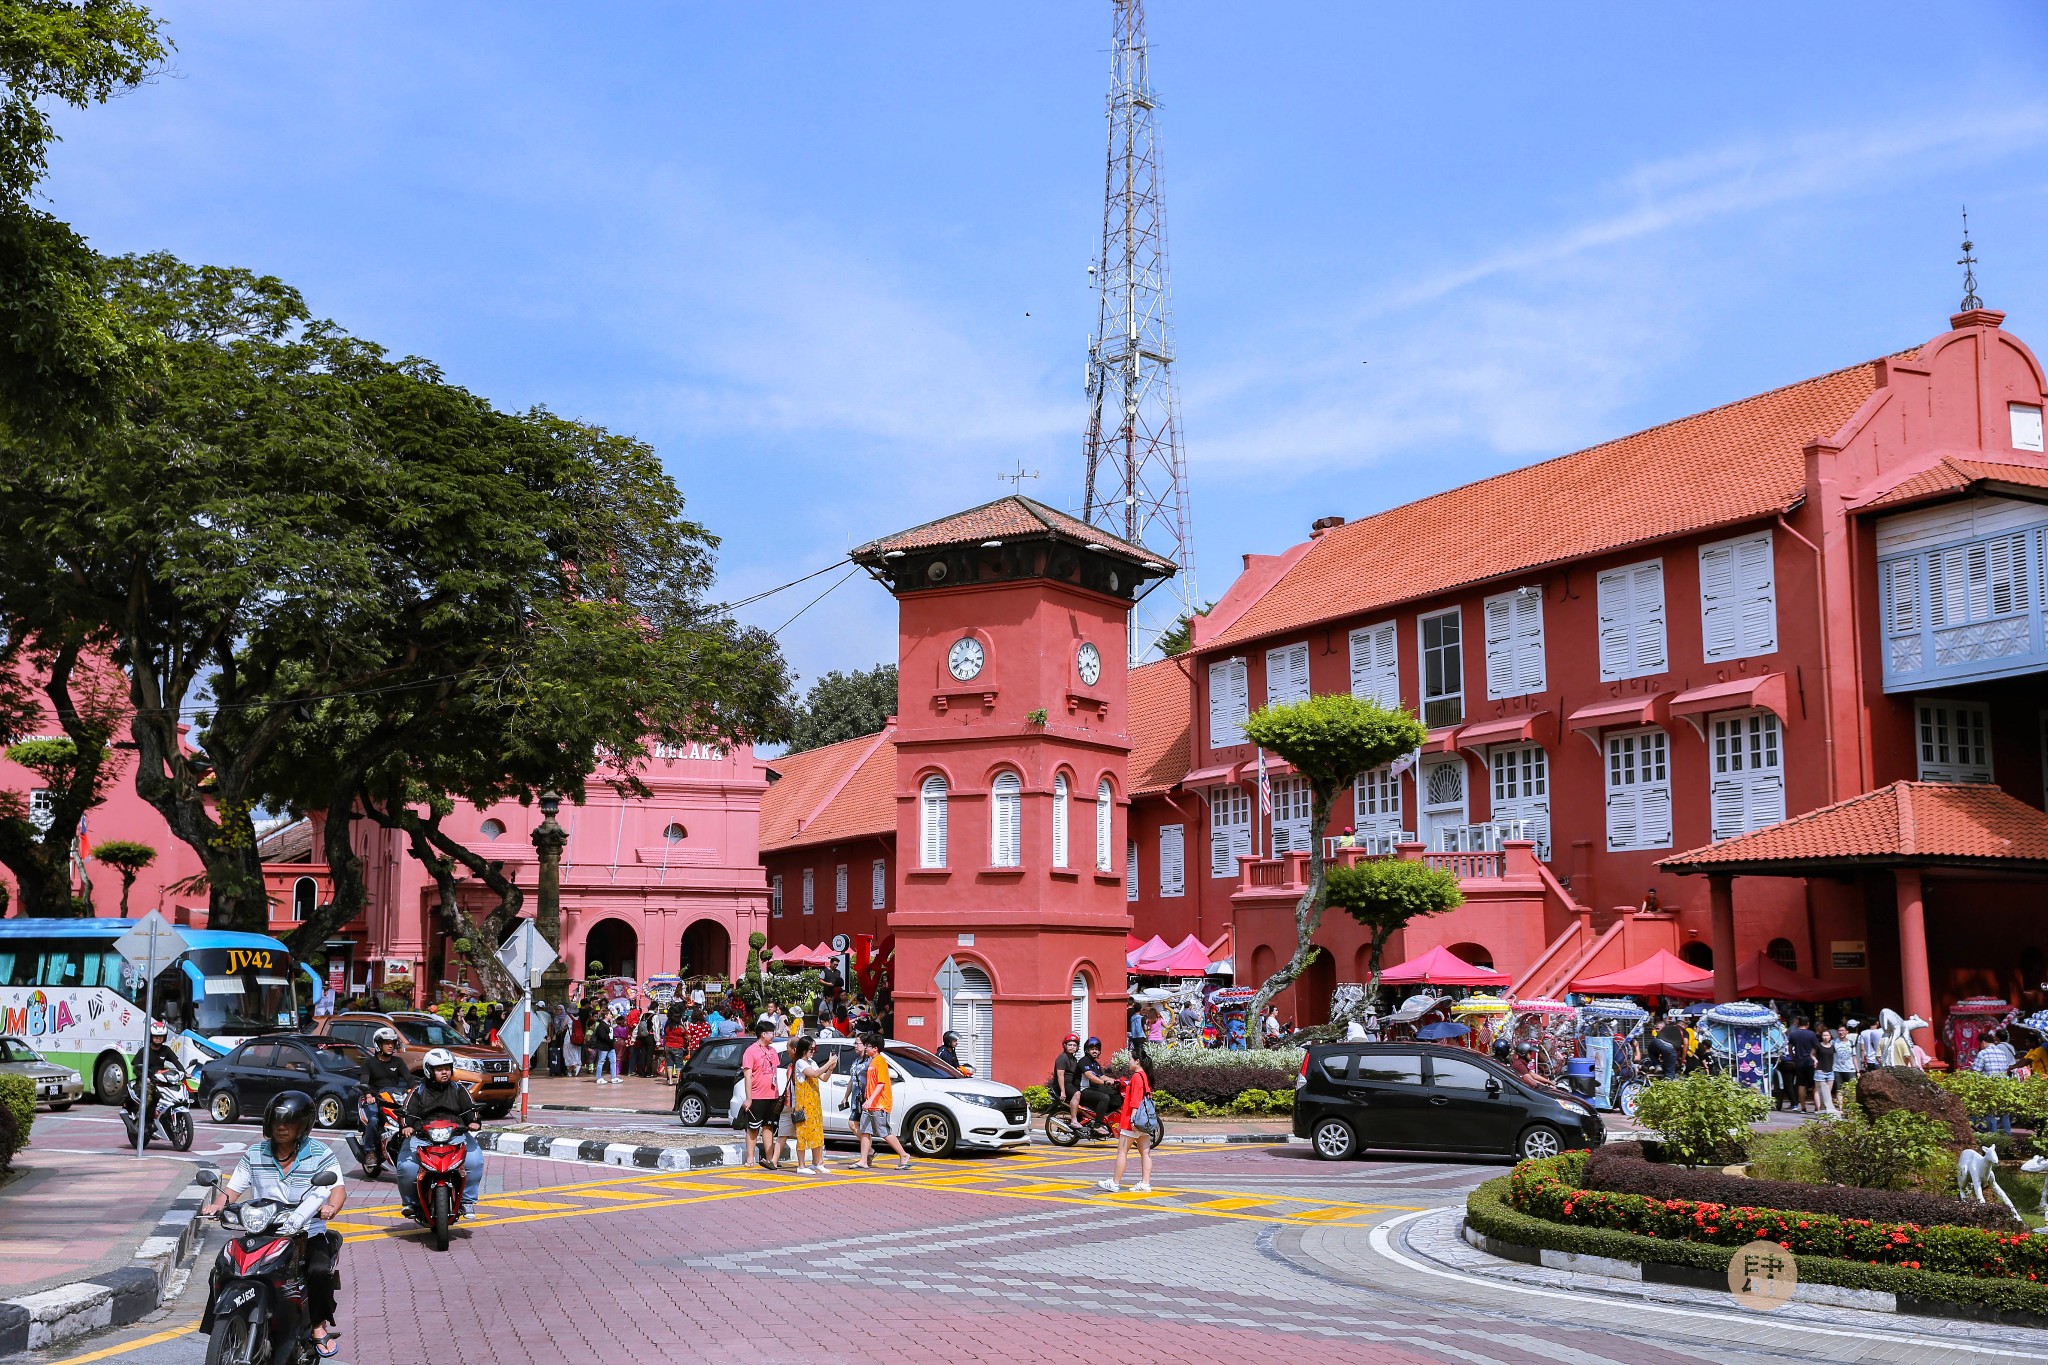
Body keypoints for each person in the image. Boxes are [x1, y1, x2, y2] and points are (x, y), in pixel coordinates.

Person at [203, 1092, 348, 1357]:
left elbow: (337, 1189)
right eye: (276, 1122)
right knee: (224, 1264)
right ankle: (220, 1323)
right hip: (262, 1232)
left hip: (306, 1232)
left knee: (318, 1270)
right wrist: (218, 1204)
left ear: (303, 1125)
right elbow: (232, 1189)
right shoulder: (255, 1153)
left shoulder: (320, 1153)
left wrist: (330, 1208)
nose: (281, 1127)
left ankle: (318, 1325)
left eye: (289, 1122)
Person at [396, 1048, 485, 1217]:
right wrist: (407, 1126)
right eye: (439, 1069)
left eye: (447, 1068)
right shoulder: (418, 1091)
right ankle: (411, 1203)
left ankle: (467, 1201)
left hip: (455, 1135)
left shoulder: (459, 1089)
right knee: (406, 1167)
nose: (445, 1072)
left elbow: (470, 1109)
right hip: (422, 1136)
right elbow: (408, 1112)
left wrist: (474, 1121)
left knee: (474, 1161)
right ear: (428, 1071)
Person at [1097, 1055, 1158, 1194]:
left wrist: (1133, 1117)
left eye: (1131, 1059)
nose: (1129, 1061)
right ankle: (1145, 1183)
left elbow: (1135, 1099)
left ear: (1137, 1061)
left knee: (1122, 1152)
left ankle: (1115, 1182)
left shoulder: (1137, 1076)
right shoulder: (1145, 1076)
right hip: (1144, 1120)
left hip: (1133, 1120)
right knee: (1145, 1152)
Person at [851, 1034, 910, 1171]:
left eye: (868, 1046)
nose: (866, 1048)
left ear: (875, 1048)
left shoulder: (880, 1061)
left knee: (884, 1132)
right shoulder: (872, 1061)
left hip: (879, 1104)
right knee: (865, 1131)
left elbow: (881, 1083)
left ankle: (903, 1154)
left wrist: (871, 1099)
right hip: (870, 1104)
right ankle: (863, 1160)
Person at [359, 1027, 414, 1159]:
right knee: (373, 1120)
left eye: (393, 1043)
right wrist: (368, 1095)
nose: (390, 1046)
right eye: (386, 1043)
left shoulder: (398, 1062)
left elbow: (409, 1078)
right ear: (378, 1044)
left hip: (392, 1099)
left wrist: (417, 1089)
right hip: (374, 1099)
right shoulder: (369, 1063)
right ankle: (370, 1152)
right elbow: (364, 1081)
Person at [740, 1020, 785, 1171]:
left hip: (772, 1095)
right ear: (763, 1034)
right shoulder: (750, 1051)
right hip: (757, 1095)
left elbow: (775, 1073)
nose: (773, 1035)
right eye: (771, 1032)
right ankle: (750, 1157)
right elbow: (747, 1076)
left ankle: (770, 1158)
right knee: (753, 1128)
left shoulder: (772, 1051)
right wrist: (748, 1097)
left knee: (769, 1127)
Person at [789, 1034, 837, 1176]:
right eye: (811, 1049)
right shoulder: (800, 1063)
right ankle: (801, 1165)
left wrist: (830, 1068)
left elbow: (823, 1078)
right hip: (804, 1105)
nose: (813, 1052)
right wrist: (828, 1063)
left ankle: (817, 1162)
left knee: (817, 1133)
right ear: (804, 1049)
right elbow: (815, 1074)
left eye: (814, 1049)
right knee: (803, 1134)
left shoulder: (812, 1062)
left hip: (814, 1104)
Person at [1976, 1029, 2018, 1134]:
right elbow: (2006, 1069)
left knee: (1990, 1113)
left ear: (1983, 1042)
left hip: (1989, 1087)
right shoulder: (2002, 1053)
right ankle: (2007, 1137)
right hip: (2003, 1086)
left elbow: (1975, 1071)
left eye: (1980, 1044)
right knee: (2004, 1113)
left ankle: (1993, 1137)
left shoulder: (1982, 1054)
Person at [1075, 1038, 1121, 1126]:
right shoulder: (1084, 1061)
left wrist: (1116, 1081)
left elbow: (1102, 1076)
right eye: (1092, 1049)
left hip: (1093, 1089)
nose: (1094, 1051)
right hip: (1083, 1090)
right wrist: (1104, 1083)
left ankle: (1108, 1119)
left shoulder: (1095, 1064)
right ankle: (1098, 1125)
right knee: (1104, 1098)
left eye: (1096, 1049)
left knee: (1116, 1095)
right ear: (1087, 1050)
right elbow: (1090, 1076)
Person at [1785, 1016, 1819, 1113]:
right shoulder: (1811, 1034)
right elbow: (1816, 1046)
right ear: (1808, 1024)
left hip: (1799, 1062)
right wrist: (1813, 1056)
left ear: (1798, 1023)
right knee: (1814, 1084)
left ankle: (1803, 1107)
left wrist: (1793, 1057)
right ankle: (1817, 1107)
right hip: (1810, 1061)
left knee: (1801, 1084)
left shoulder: (1793, 1034)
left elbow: (1790, 1048)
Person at [1050, 1034, 1085, 1115]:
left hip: (1070, 1084)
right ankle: (1073, 1120)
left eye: (1074, 1045)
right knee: (1077, 1094)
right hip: (1062, 1085)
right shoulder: (1062, 1058)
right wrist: (1063, 1091)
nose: (1072, 1047)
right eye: (1069, 1045)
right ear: (1065, 1045)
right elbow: (1060, 1075)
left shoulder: (1074, 1059)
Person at [1814, 1028, 1840, 1116]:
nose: (1825, 1037)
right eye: (1824, 1035)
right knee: (1819, 1090)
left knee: (1828, 1090)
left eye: (1827, 1035)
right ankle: (1819, 1108)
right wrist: (1815, 1060)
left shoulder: (1832, 1046)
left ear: (1830, 1037)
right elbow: (1812, 1054)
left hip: (1830, 1070)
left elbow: (1835, 1057)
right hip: (1820, 1070)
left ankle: (1827, 1106)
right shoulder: (1818, 1045)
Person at [591, 1012, 620, 1084]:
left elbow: (611, 1033)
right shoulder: (601, 1025)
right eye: (610, 1014)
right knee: (601, 1061)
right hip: (603, 1046)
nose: (611, 1016)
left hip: (610, 1046)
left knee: (613, 1061)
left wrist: (612, 1039)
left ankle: (614, 1077)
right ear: (606, 1015)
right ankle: (599, 1078)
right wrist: (611, 1040)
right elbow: (602, 1036)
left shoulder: (609, 1024)